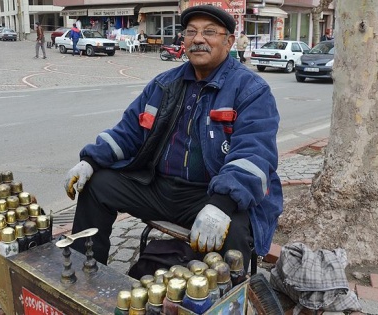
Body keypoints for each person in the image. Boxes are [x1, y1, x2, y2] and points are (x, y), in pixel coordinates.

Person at [64, 5, 283, 272]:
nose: (198, 39)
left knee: (235, 228)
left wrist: (221, 205)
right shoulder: (164, 84)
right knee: (97, 185)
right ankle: (83, 272)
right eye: (191, 32)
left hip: (209, 195)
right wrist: (90, 161)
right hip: (159, 188)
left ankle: (223, 301)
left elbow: (254, 156)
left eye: (209, 32)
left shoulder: (251, 90)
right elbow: (128, 132)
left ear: (229, 42)